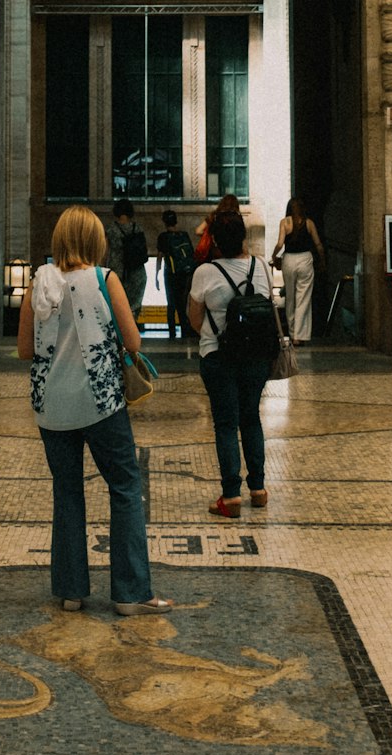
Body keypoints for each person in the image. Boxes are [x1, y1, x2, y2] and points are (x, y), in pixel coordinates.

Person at [17, 204, 171, 616]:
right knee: (124, 487)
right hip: (100, 401)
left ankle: (70, 591)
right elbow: (134, 342)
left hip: (52, 405)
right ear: (95, 241)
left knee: (67, 491)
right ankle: (131, 592)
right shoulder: (105, 279)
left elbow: (24, 349)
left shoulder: (39, 283)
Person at [189, 208, 272, 516]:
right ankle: (259, 489)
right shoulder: (261, 267)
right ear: (243, 237)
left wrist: (217, 334)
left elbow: (194, 318)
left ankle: (231, 495)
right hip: (257, 356)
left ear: (215, 241)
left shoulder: (205, 273)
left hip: (219, 356)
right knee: (251, 418)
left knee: (226, 424)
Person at [270, 197, 324, 346]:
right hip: (305, 259)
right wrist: (322, 260)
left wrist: (274, 256)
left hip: (289, 260)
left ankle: (292, 331)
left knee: (290, 298)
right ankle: (298, 336)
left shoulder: (285, 222)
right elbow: (318, 245)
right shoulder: (309, 223)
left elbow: (280, 243)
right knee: (303, 298)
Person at [156, 209, 197, 340]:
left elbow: (159, 257)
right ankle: (184, 333)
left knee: (171, 305)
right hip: (185, 274)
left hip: (170, 274)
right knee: (182, 304)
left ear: (164, 222)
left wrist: (156, 276)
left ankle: (172, 334)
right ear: (176, 221)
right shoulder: (184, 235)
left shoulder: (163, 237)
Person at [104, 198, 148, 319]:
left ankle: (120, 333)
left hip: (117, 272)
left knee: (117, 307)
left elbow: (105, 252)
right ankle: (132, 328)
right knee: (133, 307)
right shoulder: (138, 228)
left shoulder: (111, 229)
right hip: (137, 272)